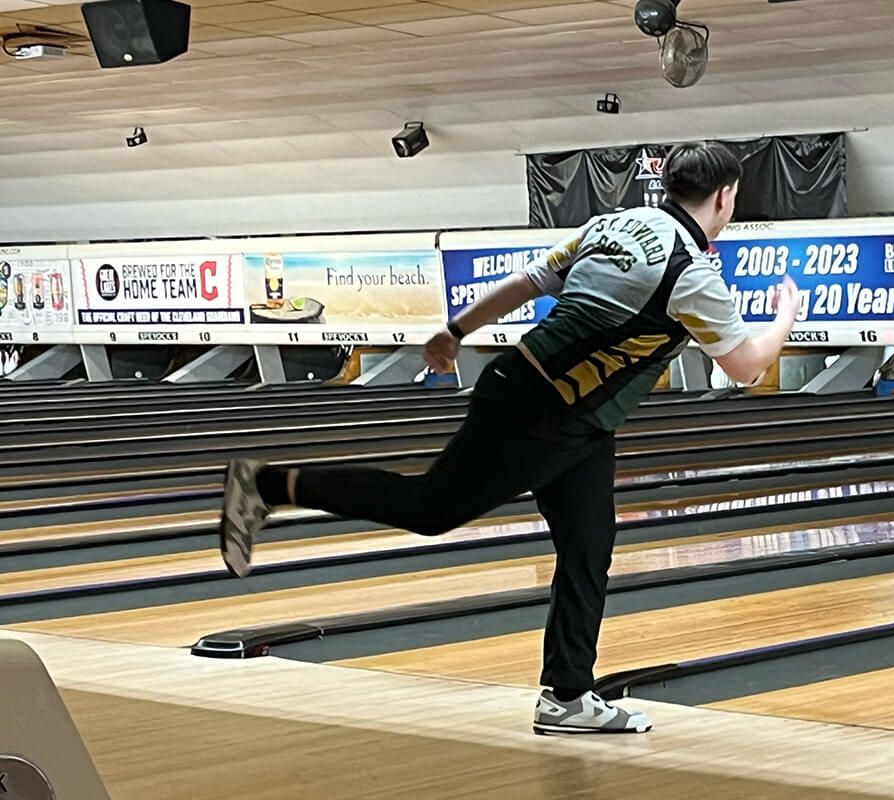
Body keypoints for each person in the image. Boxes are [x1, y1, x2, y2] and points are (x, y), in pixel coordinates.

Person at [219, 141, 802, 736]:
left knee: (588, 544)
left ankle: (567, 697)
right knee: (429, 510)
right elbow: (746, 368)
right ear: (726, 196)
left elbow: (526, 285)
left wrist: (455, 330)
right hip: (543, 412)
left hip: (566, 410)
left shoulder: (613, 225)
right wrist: (785, 315)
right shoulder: (690, 273)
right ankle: (267, 484)